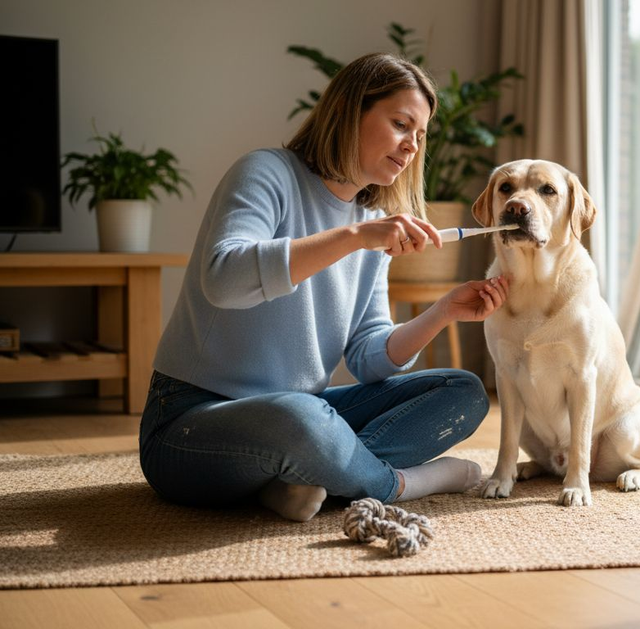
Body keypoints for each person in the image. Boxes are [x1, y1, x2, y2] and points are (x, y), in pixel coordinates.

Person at [139, 52, 509, 522]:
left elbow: (367, 357)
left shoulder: (372, 221)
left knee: (463, 391)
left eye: (419, 135)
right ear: (350, 111)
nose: (412, 146)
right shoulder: (266, 172)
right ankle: (396, 484)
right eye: (400, 124)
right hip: (189, 422)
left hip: (302, 416)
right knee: (303, 418)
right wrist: (354, 237)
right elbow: (223, 280)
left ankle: (297, 479)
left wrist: (443, 312)